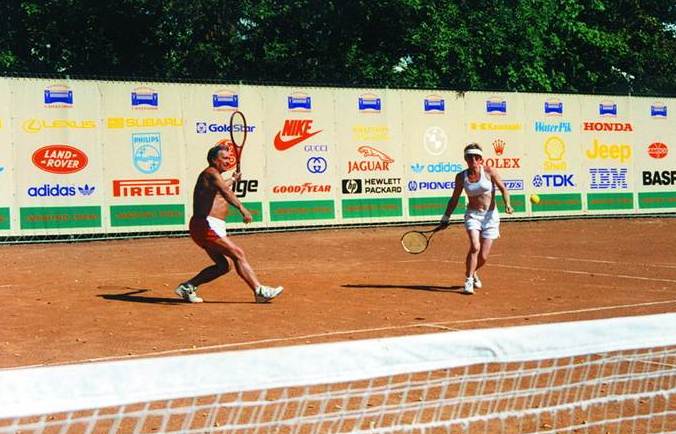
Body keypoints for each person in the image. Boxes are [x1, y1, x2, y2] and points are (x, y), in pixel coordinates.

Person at [175, 143, 283, 303]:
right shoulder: (210, 173)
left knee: (224, 266)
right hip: (205, 225)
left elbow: (221, 187)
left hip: (207, 226)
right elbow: (225, 191)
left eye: (229, 158)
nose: (228, 161)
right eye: (224, 158)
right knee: (238, 253)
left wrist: (233, 179)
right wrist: (242, 208)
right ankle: (259, 291)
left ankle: (188, 286)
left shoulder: (213, 176)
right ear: (214, 160)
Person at [439, 143, 513, 294]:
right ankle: (468, 280)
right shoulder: (461, 177)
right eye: (469, 157)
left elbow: (504, 189)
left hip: (490, 217)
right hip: (473, 215)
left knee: (483, 256)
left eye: (476, 157)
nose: (473, 160)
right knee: (475, 246)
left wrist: (507, 204)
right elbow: (454, 198)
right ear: (465, 159)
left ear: (480, 159)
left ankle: (473, 272)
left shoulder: (489, 171)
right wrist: (446, 216)